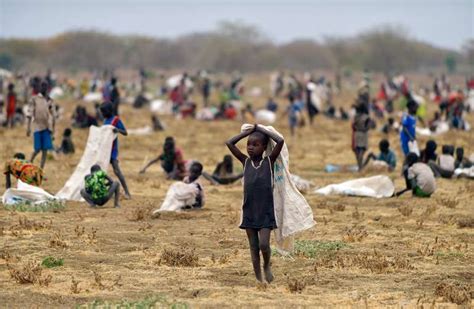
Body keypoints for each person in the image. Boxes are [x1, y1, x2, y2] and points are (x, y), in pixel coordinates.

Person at [226, 124, 285, 284]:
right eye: (248, 145)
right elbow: (229, 143)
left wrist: (261, 129)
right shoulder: (245, 162)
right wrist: (248, 132)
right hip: (250, 211)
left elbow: (280, 141)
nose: (250, 148)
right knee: (253, 247)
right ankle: (259, 279)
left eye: (255, 144)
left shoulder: (268, 162)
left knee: (264, 245)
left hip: (265, 211)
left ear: (264, 147)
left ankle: (266, 265)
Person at [100, 102, 131, 198]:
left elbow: (125, 132)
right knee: (101, 171)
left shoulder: (116, 120)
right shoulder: (105, 120)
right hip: (105, 149)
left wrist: (118, 130)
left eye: (104, 112)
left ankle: (127, 192)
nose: (102, 114)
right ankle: (107, 189)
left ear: (109, 111)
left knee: (117, 171)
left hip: (112, 150)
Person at [26, 80, 55, 169]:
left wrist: (53, 130)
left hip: (47, 128)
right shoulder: (35, 99)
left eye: (45, 86)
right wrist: (28, 128)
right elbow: (30, 114)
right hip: (37, 127)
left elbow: (53, 115)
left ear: (48, 88)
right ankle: (29, 164)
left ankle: (41, 170)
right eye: (42, 86)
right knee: (37, 149)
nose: (44, 88)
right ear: (40, 87)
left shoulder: (50, 100)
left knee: (45, 150)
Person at [352, 104, 372, 171]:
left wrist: (358, 129)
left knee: (357, 150)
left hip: (357, 134)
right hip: (363, 134)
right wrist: (363, 129)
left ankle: (359, 166)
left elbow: (353, 126)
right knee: (362, 150)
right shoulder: (366, 117)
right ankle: (360, 167)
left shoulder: (355, 117)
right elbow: (368, 127)